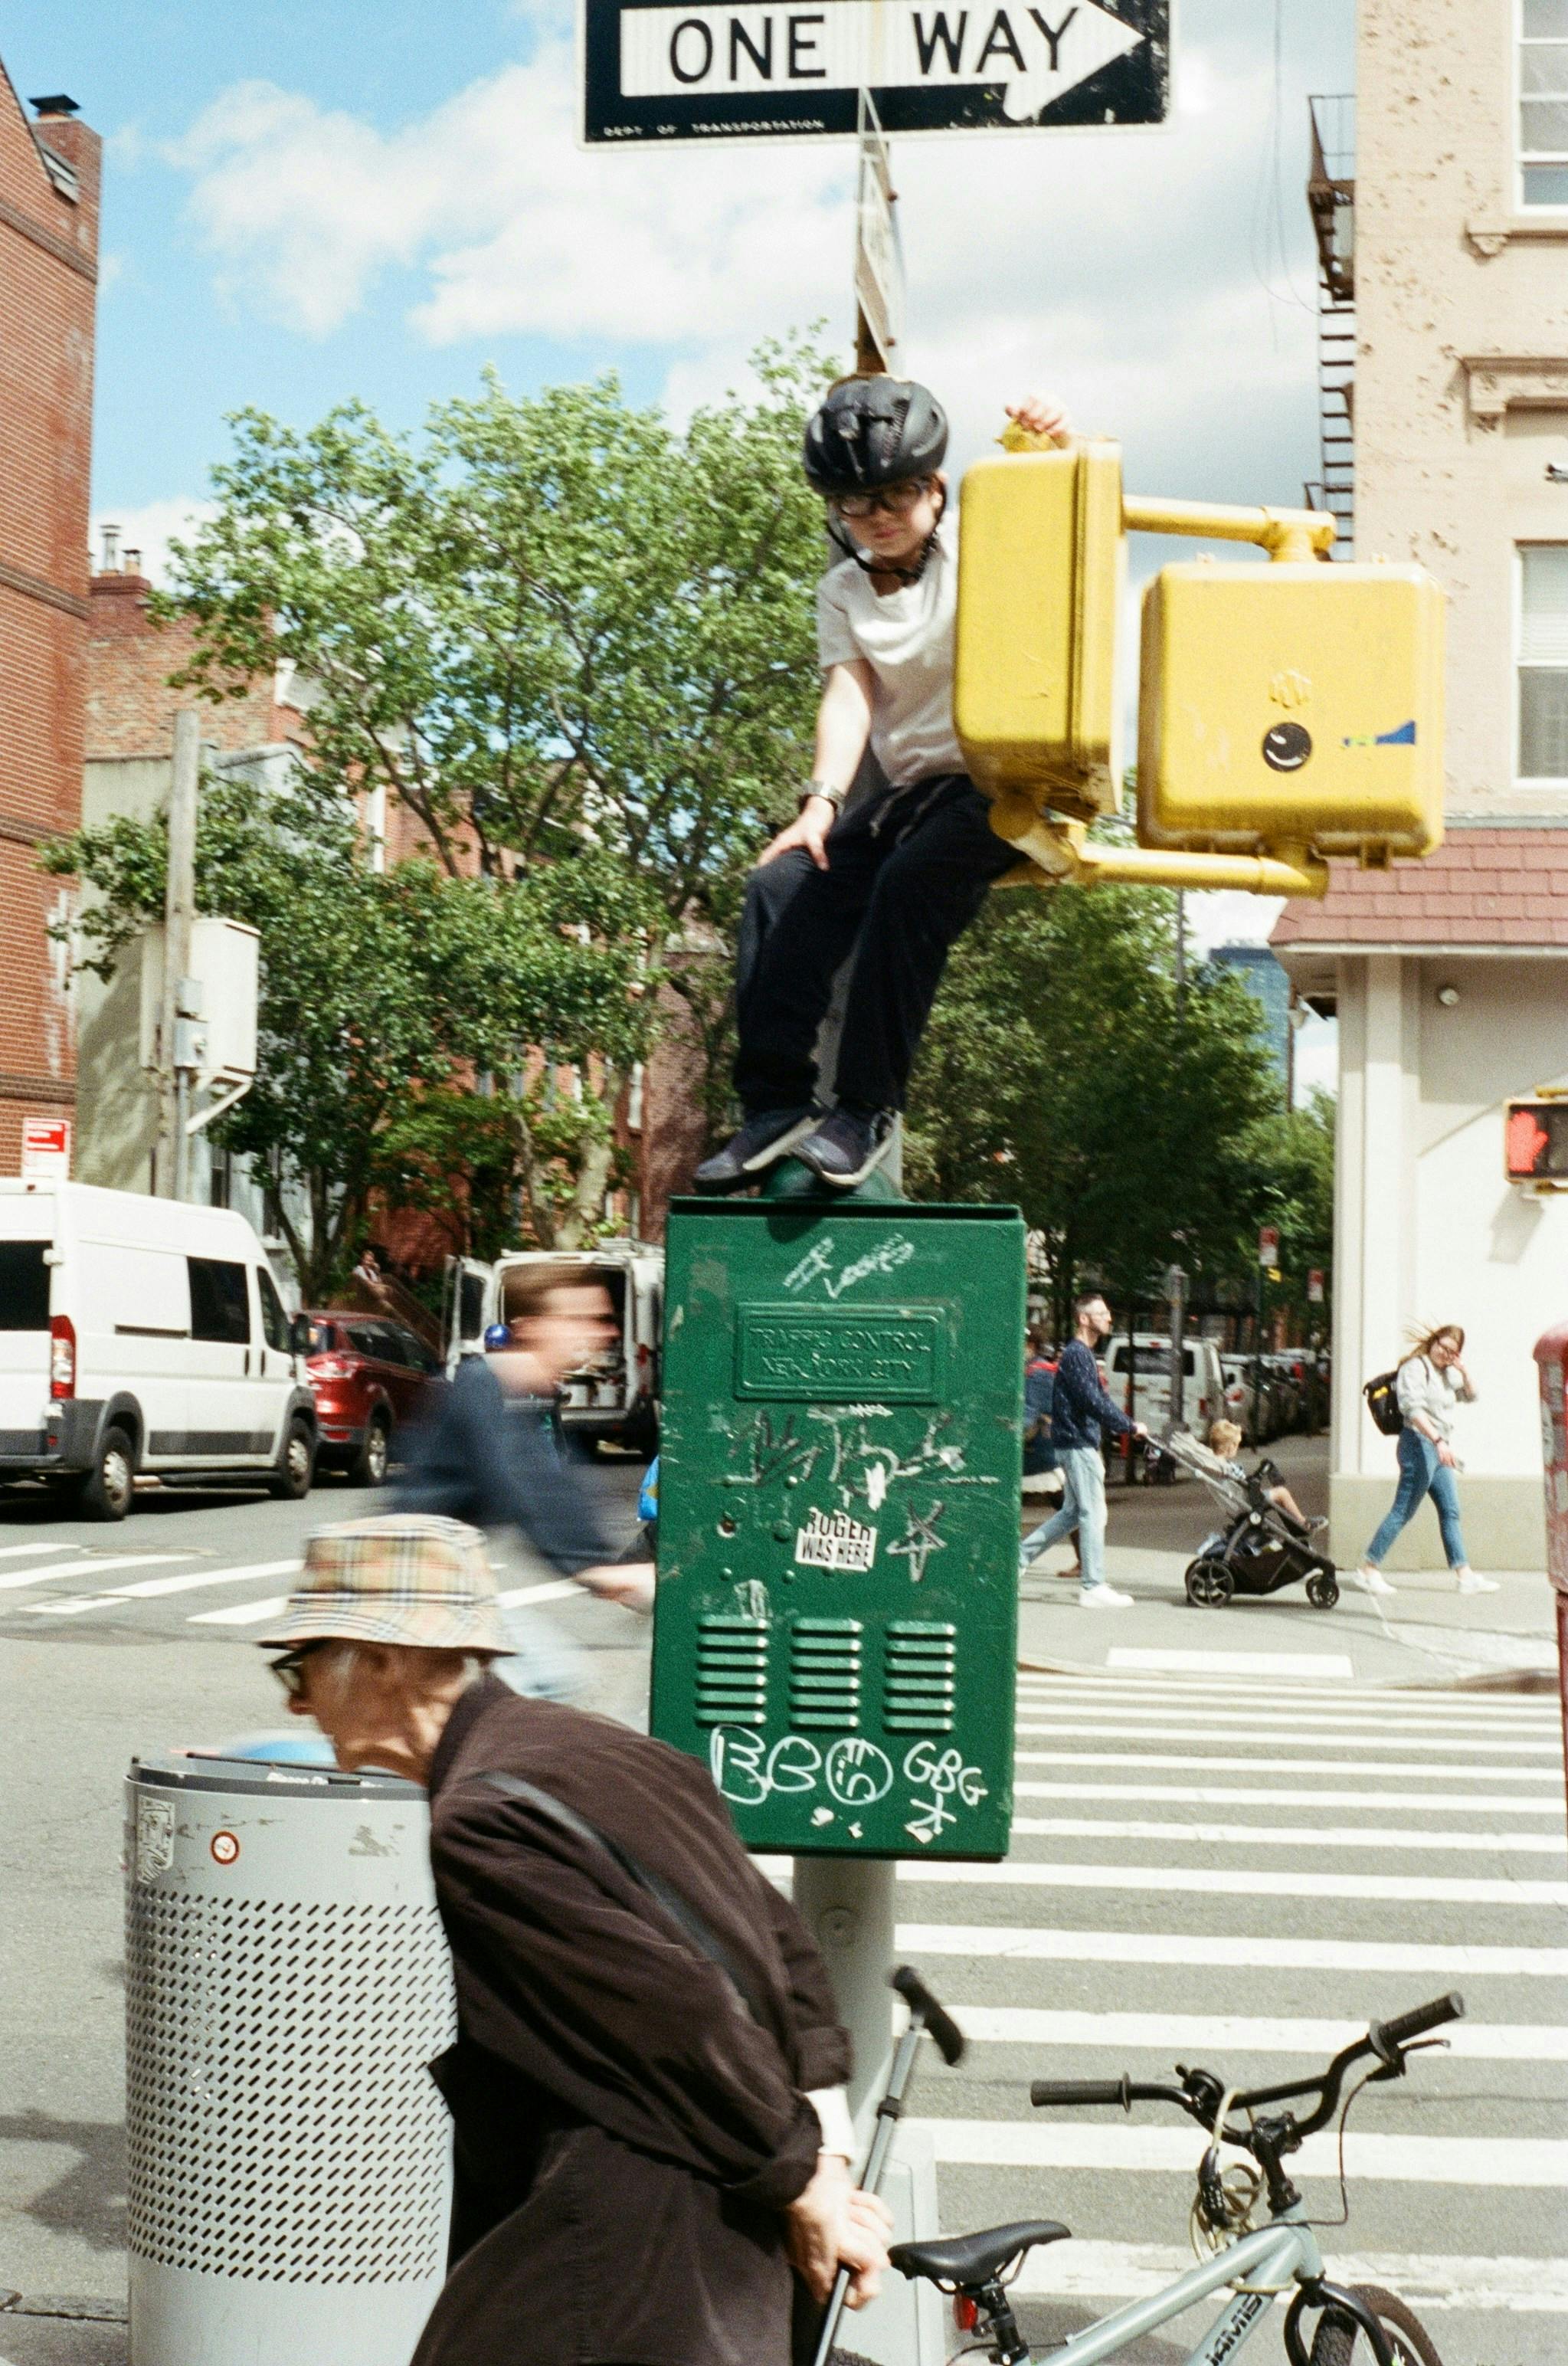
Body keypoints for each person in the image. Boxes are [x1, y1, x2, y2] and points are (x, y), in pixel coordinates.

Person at [258, 1516, 891, 2366]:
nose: (296, 1702)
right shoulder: (604, 1750)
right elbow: (785, 1950)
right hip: (711, 2250)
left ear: (383, 1658)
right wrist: (824, 2163)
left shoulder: (479, 1820)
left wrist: (806, 2180)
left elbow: (679, 2017)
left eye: (300, 1668)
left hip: (626, 2263)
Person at [696, 375, 1069, 1194]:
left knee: (907, 886)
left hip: (1004, 782)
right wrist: (820, 804)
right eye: (855, 506)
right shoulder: (843, 590)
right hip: (915, 793)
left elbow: (1064, 531)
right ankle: (773, 1105)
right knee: (780, 882)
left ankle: (863, 1108)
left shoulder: (985, 548)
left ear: (934, 488)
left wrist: (1056, 443)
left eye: (896, 496)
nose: (878, 519)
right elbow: (850, 693)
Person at [395, 1264, 653, 1617]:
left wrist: (602, 1560)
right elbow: (525, 1481)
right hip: (406, 1580)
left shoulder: (530, 1390)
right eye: (582, 1318)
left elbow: (557, 1482)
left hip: (446, 1576)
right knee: (543, 1671)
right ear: (533, 1326)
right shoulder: (486, 1383)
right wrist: (595, 1567)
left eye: (604, 1319)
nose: (605, 1331)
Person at [1019, 1291, 1147, 1609]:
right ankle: (1093, 1585)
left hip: (1074, 1442)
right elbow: (1092, 1401)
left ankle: (1018, 1559)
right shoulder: (1078, 1354)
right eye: (1101, 1313)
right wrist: (1129, 1426)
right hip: (1078, 1444)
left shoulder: (1081, 1355)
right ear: (1084, 1318)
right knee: (1093, 1513)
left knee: (1072, 1513)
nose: (1109, 1318)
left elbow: (1095, 1400)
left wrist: (1124, 1423)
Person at [1354, 1326, 1498, 1597]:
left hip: (1438, 1448)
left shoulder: (1445, 1374)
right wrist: (1438, 1441)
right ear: (1433, 1342)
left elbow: (1472, 1395)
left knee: (1451, 1510)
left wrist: (1464, 1371)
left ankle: (1464, 1575)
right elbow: (1413, 1408)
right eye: (1442, 1346)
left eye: (1452, 1351)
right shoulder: (1415, 1368)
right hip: (1419, 1444)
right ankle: (1368, 1569)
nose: (1444, 1353)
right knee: (1403, 1510)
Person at [1205, 1420, 1316, 1530]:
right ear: (1230, 1447)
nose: (1238, 1449)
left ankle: (1295, 1524)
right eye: (1237, 1446)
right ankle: (1302, 1522)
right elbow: (1245, 1482)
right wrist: (1259, 1475)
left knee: (1277, 1493)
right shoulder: (1227, 1467)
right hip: (1246, 1503)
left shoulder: (1215, 1464)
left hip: (1237, 1504)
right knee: (1282, 1493)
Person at [1021, 1331, 1061, 1500]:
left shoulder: (1038, 1372)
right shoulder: (1033, 1368)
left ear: (1031, 1346)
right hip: (1043, 1440)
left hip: (1040, 1440)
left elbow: (1030, 1410)